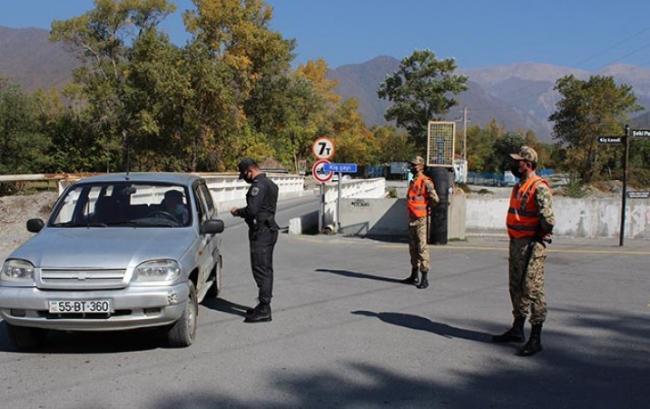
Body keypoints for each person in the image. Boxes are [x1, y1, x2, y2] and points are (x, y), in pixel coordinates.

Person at [492, 146, 555, 357]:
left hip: (532, 245)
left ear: (527, 163)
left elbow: (548, 220)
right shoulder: (520, 186)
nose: (514, 164)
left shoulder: (539, 187)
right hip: (517, 243)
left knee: (533, 288)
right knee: (516, 286)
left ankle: (536, 337)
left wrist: (539, 236)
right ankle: (517, 328)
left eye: (518, 161)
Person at [230, 158, 279, 323]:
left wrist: (238, 212)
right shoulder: (271, 183)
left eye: (244, 175)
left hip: (261, 233)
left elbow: (252, 210)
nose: (244, 179)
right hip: (268, 229)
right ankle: (263, 305)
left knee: (261, 269)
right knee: (265, 268)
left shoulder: (258, 186)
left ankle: (264, 308)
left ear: (249, 171)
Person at [401, 156, 439, 289]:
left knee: (422, 248)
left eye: (415, 165)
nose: (413, 167)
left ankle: (424, 278)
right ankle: (414, 275)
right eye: (412, 165)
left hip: (421, 218)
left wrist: (427, 206)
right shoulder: (413, 180)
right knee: (413, 248)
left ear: (421, 166)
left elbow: (435, 198)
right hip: (412, 218)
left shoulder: (425, 181)